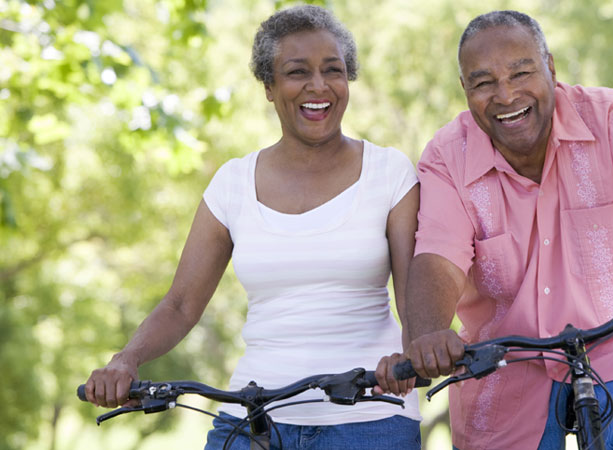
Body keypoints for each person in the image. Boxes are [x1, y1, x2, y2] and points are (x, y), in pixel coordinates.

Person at [397, 10, 613, 450]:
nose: (505, 95)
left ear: (550, 67)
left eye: (521, 72)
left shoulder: (612, 120)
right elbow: (438, 258)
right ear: (465, 90)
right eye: (483, 82)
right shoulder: (447, 156)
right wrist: (430, 332)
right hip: (504, 364)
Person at [83, 5, 422, 449]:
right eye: (297, 72)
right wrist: (125, 360)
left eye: (333, 71)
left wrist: (411, 356)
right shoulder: (232, 183)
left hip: (372, 416)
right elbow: (181, 304)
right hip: (253, 418)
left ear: (348, 79)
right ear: (269, 86)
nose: (318, 86)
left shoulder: (390, 172)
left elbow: (414, 296)